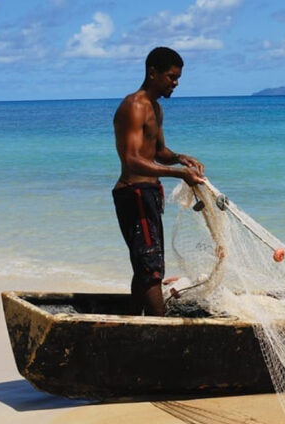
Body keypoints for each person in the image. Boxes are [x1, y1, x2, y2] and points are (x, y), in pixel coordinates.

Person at [112, 47, 205, 316]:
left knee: (146, 264)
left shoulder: (156, 108)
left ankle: (131, 321)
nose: (175, 83)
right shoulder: (134, 106)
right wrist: (179, 175)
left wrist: (180, 158)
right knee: (151, 268)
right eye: (171, 77)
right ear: (153, 73)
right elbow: (131, 159)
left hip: (150, 193)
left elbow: (159, 152)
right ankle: (160, 327)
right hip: (134, 194)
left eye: (178, 78)